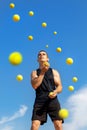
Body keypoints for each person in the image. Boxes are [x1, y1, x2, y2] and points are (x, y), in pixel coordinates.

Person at [30, 50, 64, 130]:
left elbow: (60, 87)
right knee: (34, 125)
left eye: (43, 54)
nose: (41, 55)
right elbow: (35, 85)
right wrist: (42, 72)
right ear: (37, 60)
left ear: (47, 59)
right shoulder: (34, 72)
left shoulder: (54, 72)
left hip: (52, 99)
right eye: (39, 55)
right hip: (40, 100)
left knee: (58, 125)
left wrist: (55, 92)